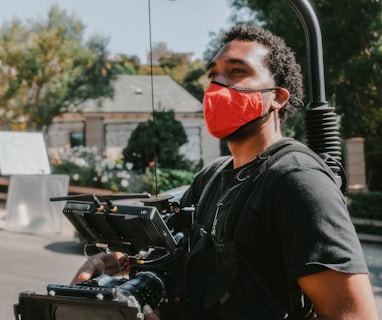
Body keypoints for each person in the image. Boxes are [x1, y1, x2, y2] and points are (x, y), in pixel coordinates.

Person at [71, 25, 378, 319]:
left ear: (277, 98)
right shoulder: (213, 176)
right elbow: (171, 243)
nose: (217, 87)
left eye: (237, 71)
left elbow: (353, 316)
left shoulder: (297, 180)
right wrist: (117, 260)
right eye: (213, 74)